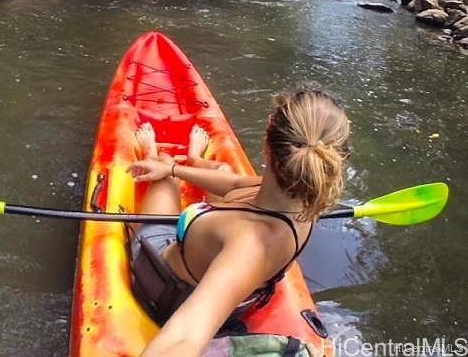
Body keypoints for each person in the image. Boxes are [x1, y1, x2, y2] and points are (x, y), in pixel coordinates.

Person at [126, 90, 350, 357]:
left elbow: (184, 337)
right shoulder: (299, 197)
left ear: (267, 144)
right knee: (223, 172)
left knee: (164, 179)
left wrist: (166, 171)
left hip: (165, 284)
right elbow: (234, 185)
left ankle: (154, 156)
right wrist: (176, 169)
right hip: (212, 262)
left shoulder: (250, 246)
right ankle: (191, 159)